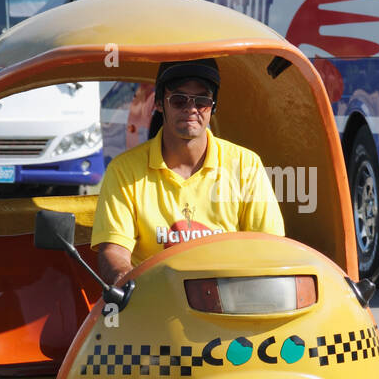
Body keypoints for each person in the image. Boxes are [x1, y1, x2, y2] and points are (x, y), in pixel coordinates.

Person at [91, 58, 284, 285]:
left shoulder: (246, 165)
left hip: (229, 306)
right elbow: (115, 251)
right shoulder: (123, 171)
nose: (191, 109)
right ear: (160, 103)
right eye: (179, 100)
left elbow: (267, 249)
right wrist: (125, 280)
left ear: (213, 106)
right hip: (155, 305)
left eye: (201, 100)